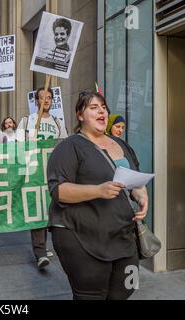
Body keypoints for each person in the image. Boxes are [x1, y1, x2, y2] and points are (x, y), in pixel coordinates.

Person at [47, 91, 148, 300]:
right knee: (91, 295)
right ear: (80, 115)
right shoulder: (68, 147)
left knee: (128, 287)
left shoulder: (121, 144)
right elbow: (58, 191)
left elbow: (135, 179)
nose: (101, 110)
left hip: (122, 234)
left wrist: (141, 196)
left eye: (103, 107)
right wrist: (98, 190)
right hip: (81, 236)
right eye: (93, 107)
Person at [15, 87, 67, 270]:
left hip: (53, 174)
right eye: (43, 97)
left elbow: (64, 148)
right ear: (36, 101)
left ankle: (47, 245)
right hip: (34, 174)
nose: (46, 100)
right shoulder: (26, 121)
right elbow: (18, 149)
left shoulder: (58, 123)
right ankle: (40, 252)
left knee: (52, 210)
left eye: (50, 98)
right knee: (37, 211)